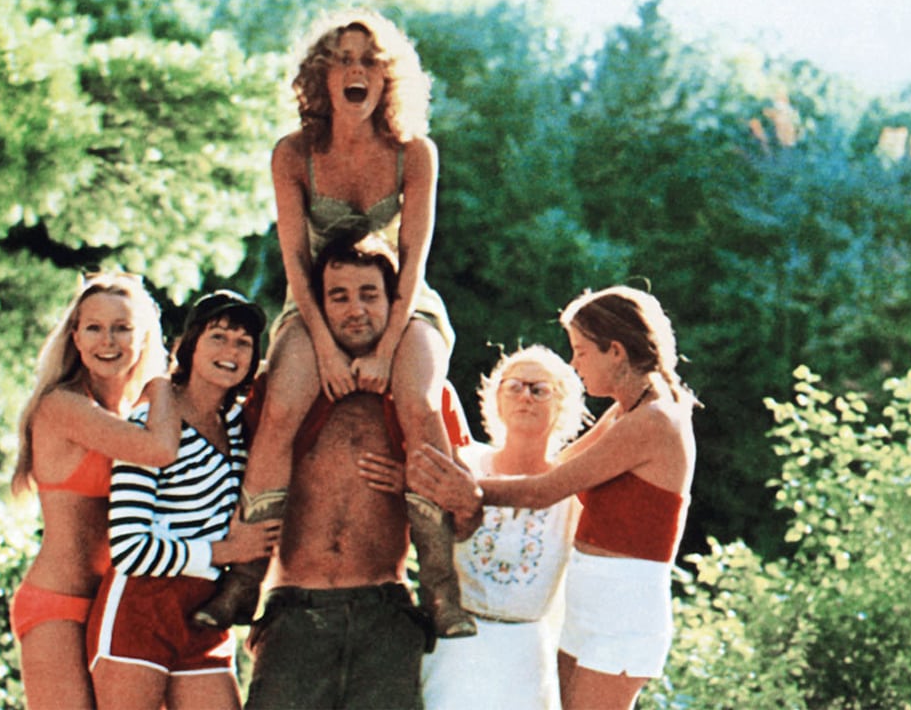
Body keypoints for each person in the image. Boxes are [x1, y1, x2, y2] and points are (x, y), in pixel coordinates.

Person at [198, 8, 473, 638]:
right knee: (281, 404)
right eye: (343, 59)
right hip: (315, 300)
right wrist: (323, 346)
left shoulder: (414, 153)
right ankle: (245, 578)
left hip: (401, 297)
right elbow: (295, 261)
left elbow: (414, 258)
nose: (357, 71)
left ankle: (440, 586)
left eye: (370, 61)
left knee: (420, 401)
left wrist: (388, 346)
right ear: (321, 75)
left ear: (388, 77)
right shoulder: (294, 153)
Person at [411, 286, 700, 710]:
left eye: (581, 351)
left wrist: (470, 490)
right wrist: (465, 467)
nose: (575, 364)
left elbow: (544, 490)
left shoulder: (655, 419)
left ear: (615, 351)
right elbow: (559, 467)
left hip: (624, 608)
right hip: (588, 601)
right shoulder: (626, 411)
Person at [243, 237, 481, 710]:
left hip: (385, 612)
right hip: (294, 609)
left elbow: (464, 521)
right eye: (339, 296)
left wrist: (452, 495)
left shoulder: (425, 395)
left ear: (395, 304)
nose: (356, 310)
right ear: (318, 307)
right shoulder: (282, 388)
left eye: (370, 295)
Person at [86, 290, 282, 710]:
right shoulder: (151, 423)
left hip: (205, 610)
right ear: (188, 346)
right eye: (218, 337)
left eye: (243, 342)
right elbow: (129, 549)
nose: (231, 351)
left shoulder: (237, 425)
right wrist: (224, 551)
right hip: (139, 608)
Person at [364, 346, 587, 710]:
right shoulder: (464, 464)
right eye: (514, 386)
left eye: (540, 389)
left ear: (562, 404)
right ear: (496, 399)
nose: (525, 397)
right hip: (458, 642)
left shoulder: (572, 489)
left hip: (527, 653)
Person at [9, 272, 181, 710]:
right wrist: (163, 380)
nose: (108, 341)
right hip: (58, 604)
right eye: (94, 328)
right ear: (76, 338)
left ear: (142, 337)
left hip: (121, 604)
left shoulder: (138, 414)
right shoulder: (62, 406)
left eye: (122, 328)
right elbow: (160, 451)